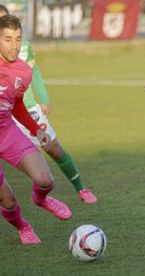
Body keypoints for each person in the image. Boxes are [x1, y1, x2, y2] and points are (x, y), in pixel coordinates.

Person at [0, 5, 97, 204]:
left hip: (26, 107)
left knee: (54, 148)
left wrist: (43, 98)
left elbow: (32, 71)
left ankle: (81, 188)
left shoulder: (22, 45)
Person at [0, 15, 72, 245]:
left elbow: (17, 104)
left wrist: (37, 128)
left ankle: (41, 200)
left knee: (45, 180)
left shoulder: (23, 71)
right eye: (7, 39)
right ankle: (23, 227)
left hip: (5, 131)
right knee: (8, 201)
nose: (14, 46)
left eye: (18, 39)